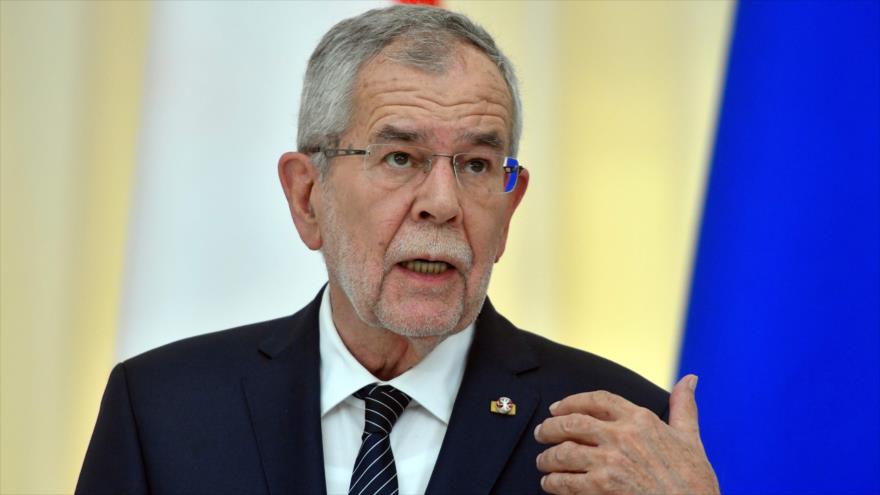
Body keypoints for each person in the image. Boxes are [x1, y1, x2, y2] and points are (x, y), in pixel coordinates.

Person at [77, 5, 718, 494]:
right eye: (401, 156)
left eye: (474, 164)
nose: (441, 202)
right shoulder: (163, 409)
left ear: (509, 207)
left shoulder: (619, 432)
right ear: (308, 197)